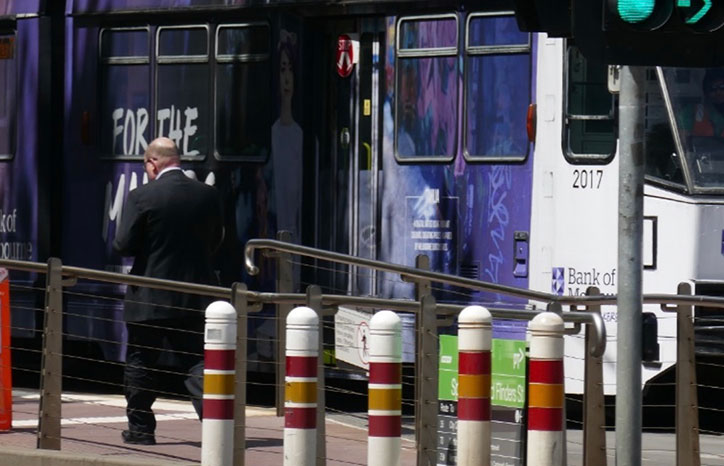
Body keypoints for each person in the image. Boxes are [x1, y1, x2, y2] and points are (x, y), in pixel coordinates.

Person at [113, 137, 223, 445]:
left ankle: (141, 431)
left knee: (140, 364)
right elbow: (217, 241)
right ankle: (217, 429)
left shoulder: (142, 197)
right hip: (195, 297)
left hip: (149, 297)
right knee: (199, 364)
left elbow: (123, 245)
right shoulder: (208, 196)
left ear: (152, 163)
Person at [681, 68, 724, 138]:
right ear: (705, 92)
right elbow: (680, 138)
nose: (718, 92)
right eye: (712, 89)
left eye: (722, 87)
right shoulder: (691, 111)